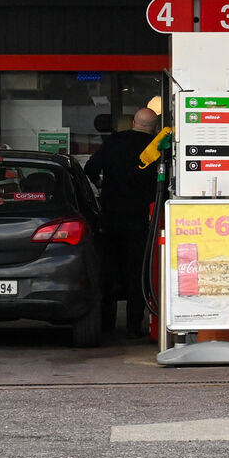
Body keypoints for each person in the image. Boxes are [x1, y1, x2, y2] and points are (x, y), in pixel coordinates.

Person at [84, 107, 160, 337]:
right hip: (140, 220)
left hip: (110, 218)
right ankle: (134, 326)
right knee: (137, 273)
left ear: (134, 121)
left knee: (108, 272)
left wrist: (100, 185)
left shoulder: (114, 142)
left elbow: (90, 169)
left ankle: (107, 323)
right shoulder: (156, 148)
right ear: (154, 127)